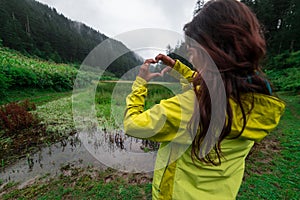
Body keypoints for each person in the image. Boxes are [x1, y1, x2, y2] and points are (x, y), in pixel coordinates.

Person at [124, 0, 285, 199]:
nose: (190, 57)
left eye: (192, 50)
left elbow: (132, 125)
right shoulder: (258, 101)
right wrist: (178, 68)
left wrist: (140, 83)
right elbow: (214, 85)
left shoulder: (189, 108)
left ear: (211, 51)